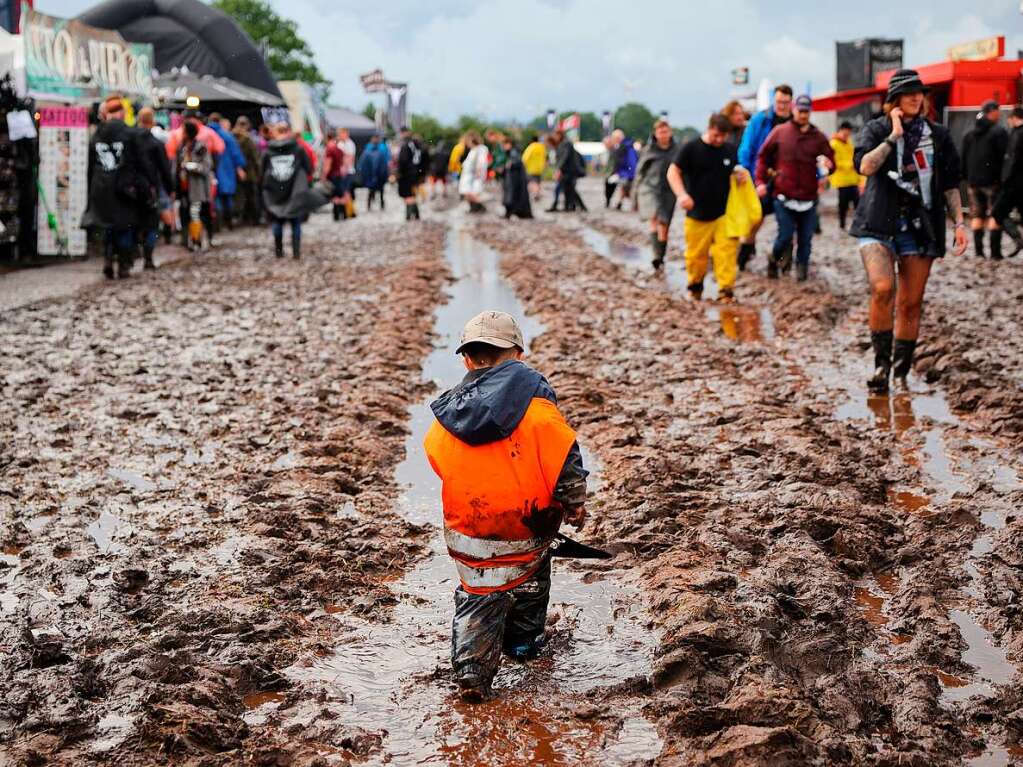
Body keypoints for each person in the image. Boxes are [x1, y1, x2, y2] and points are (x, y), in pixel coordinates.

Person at [423, 310, 587, 702]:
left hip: (468, 528)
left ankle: (471, 672)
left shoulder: (449, 413)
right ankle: (523, 646)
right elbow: (564, 455)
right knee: (530, 583)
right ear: (518, 354)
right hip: (526, 525)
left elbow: (436, 456)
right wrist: (573, 502)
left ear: (466, 359)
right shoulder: (538, 409)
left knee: (478, 592)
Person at [851, 68, 967, 393]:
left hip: (920, 226)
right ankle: (880, 367)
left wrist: (959, 223)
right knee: (883, 288)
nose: (917, 98)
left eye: (921, 93)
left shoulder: (939, 136)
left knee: (911, 303)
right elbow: (865, 166)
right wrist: (893, 137)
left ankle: (900, 372)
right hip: (877, 222)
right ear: (894, 100)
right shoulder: (876, 128)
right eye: (909, 93)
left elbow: (949, 184)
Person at [667, 113, 749, 301]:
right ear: (709, 128)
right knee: (696, 256)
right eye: (716, 136)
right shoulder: (691, 148)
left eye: (723, 136)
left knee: (726, 253)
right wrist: (681, 194)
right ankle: (695, 287)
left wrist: (739, 175)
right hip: (697, 214)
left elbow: (735, 170)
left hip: (724, 213)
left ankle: (726, 291)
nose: (719, 140)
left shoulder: (729, 149)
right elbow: (673, 172)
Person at [755, 94, 834, 281]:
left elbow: (831, 162)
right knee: (785, 235)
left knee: (806, 239)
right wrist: (760, 182)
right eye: (800, 111)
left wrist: (827, 169)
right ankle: (774, 259)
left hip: (809, 196)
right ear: (794, 110)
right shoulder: (780, 132)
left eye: (807, 111)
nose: (803, 115)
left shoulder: (819, 137)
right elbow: (762, 157)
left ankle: (802, 274)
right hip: (783, 194)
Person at [82, 94, 148, 279]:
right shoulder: (130, 134)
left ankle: (109, 259)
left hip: (101, 187)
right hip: (124, 189)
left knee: (108, 227)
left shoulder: (97, 134)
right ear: (121, 112)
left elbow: (90, 165)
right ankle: (124, 264)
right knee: (125, 227)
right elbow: (140, 163)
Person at [737, 84, 793, 270]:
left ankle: (784, 261)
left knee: (788, 222)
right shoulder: (761, 119)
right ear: (773, 100)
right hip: (760, 177)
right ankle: (743, 255)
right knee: (755, 219)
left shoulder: (796, 121)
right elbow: (747, 148)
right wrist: (747, 174)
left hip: (787, 181)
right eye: (779, 102)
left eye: (785, 102)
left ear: (790, 102)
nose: (782, 106)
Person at [962, 99, 1009, 258]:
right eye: (998, 111)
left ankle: (979, 252)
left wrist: (966, 176)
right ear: (992, 112)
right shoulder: (998, 132)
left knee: (977, 215)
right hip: (993, 182)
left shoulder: (969, 134)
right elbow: (1005, 158)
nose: (1000, 114)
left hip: (973, 182)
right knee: (995, 215)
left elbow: (963, 157)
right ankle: (995, 254)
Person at [262, 122, 313, 259]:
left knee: (277, 221)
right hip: (294, 190)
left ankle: (279, 251)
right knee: (295, 221)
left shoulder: (268, 151)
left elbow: (262, 171)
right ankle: (296, 252)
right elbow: (309, 168)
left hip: (274, 192)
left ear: (275, 133)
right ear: (288, 132)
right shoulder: (298, 149)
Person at [636, 118, 678, 269]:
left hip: (669, 190)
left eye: (665, 131)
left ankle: (661, 254)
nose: (663, 134)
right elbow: (640, 172)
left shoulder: (677, 150)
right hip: (650, 188)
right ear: (656, 134)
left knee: (665, 223)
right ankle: (656, 255)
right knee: (654, 219)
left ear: (670, 133)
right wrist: (635, 193)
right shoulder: (649, 150)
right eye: (660, 132)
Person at [136, 107, 174, 269]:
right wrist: (170, 188)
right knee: (152, 224)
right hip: (152, 188)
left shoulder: (132, 140)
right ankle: (148, 257)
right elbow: (165, 169)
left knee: (138, 222)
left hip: (135, 189)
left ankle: (137, 251)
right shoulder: (157, 144)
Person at [175, 120, 214, 251]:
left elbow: (206, 167)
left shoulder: (200, 147)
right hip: (183, 187)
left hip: (197, 188)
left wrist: (192, 166)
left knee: (196, 213)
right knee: (185, 214)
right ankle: (188, 241)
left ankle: (197, 240)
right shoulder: (181, 147)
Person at [992, 105, 1023, 256]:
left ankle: (1018, 239)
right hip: (1017, 183)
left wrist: (1005, 180)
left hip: (1013, 184)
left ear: (1013, 118)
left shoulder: (1017, 134)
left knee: (997, 212)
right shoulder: (1016, 133)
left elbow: (1012, 160)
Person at [208, 113, 247, 231]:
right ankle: (228, 223)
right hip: (227, 170)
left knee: (215, 198)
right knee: (227, 198)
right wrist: (239, 168)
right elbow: (236, 153)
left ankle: (217, 225)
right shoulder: (227, 136)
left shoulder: (206, 134)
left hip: (212, 170)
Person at [830, 120, 863, 230]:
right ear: (840, 131)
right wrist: (849, 164)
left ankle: (858, 224)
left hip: (852, 179)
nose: (846, 136)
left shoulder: (849, 142)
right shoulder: (833, 144)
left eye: (848, 134)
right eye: (845, 133)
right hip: (841, 180)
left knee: (857, 203)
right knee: (843, 204)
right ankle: (842, 224)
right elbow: (834, 162)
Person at [233, 116, 262, 225]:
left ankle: (242, 218)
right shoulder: (249, 139)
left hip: (236, 173)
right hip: (250, 173)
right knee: (252, 197)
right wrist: (259, 173)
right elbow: (255, 158)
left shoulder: (233, 137)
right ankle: (254, 219)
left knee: (240, 196)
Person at [550, 130, 586, 212]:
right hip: (567, 171)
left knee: (569, 189)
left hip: (569, 171)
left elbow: (564, 157)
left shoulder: (566, 144)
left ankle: (570, 206)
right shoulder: (563, 144)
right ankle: (573, 206)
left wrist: (558, 169)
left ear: (559, 135)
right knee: (569, 189)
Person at [396, 126, 425, 220]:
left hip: (407, 174)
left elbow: (403, 161)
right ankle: (416, 215)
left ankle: (409, 216)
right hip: (415, 172)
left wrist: (398, 173)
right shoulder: (416, 144)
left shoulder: (406, 145)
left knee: (408, 195)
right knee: (412, 194)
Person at [501, 137, 532, 219]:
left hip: (514, 179)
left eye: (504, 145)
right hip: (514, 178)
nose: (504, 147)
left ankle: (512, 212)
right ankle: (512, 212)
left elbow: (516, 162)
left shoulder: (513, 152)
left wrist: (510, 165)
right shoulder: (512, 152)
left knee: (512, 196)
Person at [358, 135, 390, 211]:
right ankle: (379, 205)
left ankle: (371, 205)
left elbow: (362, 164)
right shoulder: (381, 149)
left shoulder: (370, 150)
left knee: (373, 191)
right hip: (377, 175)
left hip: (374, 175)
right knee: (378, 191)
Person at [459, 132, 488, 213]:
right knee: (466, 192)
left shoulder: (480, 149)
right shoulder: (473, 149)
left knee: (471, 193)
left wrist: (479, 171)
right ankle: (474, 208)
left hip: (474, 175)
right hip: (469, 175)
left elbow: (481, 162)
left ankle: (480, 206)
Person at [323, 131, 347, 220]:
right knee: (340, 195)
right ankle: (343, 214)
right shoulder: (339, 150)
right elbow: (343, 164)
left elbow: (327, 165)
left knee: (335, 196)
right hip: (339, 175)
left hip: (332, 175)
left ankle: (336, 215)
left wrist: (324, 176)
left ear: (328, 138)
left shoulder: (329, 149)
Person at [337, 127, 357, 219]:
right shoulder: (340, 144)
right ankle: (346, 211)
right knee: (343, 191)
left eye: (341, 133)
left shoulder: (350, 144)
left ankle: (350, 211)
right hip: (341, 171)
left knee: (346, 191)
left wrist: (345, 168)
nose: (339, 135)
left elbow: (350, 157)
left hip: (347, 171)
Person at [522, 134, 547, 201]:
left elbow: (525, 157)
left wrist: (523, 165)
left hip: (531, 168)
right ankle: (537, 193)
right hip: (540, 168)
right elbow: (545, 157)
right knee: (537, 182)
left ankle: (535, 193)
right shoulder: (542, 147)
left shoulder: (531, 147)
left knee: (532, 182)